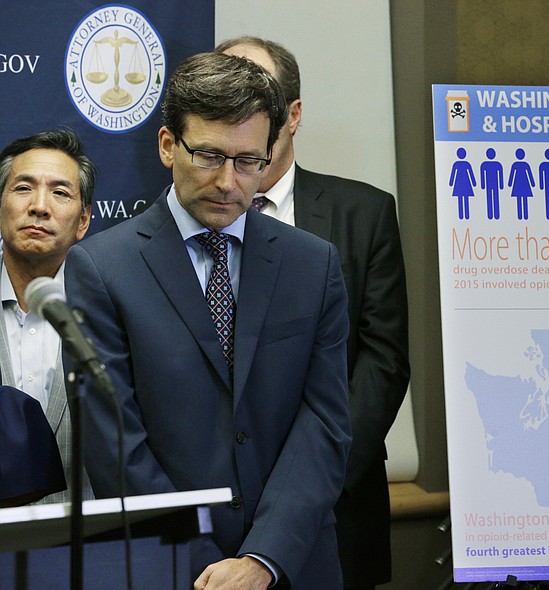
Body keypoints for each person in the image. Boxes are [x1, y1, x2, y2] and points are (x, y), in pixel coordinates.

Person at [64, 52, 351, 590]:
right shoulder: (102, 268)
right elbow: (113, 445)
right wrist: (204, 566)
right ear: (168, 144)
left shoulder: (314, 264)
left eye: (249, 162)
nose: (228, 181)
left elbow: (324, 423)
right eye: (210, 156)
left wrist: (261, 559)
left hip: (294, 564)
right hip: (168, 566)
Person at [216, 36, 410, 590]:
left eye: (257, 91)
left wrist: (313, 480)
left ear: (293, 114)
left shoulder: (364, 213)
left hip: (335, 508)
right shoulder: (179, 223)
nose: (240, 105)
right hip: (215, 519)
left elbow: (384, 361)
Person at [0, 128, 95, 504]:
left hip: (85, 546)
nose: (40, 206)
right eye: (23, 188)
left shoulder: (112, 308)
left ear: (83, 221)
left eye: (60, 192)